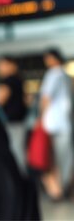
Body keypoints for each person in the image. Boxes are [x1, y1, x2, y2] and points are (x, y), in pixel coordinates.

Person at [39, 48, 72, 200]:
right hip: (65, 123)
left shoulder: (52, 74)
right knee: (65, 157)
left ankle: (56, 190)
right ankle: (62, 187)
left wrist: (40, 118)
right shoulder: (66, 75)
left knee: (52, 159)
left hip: (51, 123)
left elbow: (46, 98)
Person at [0, 56, 28, 174]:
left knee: (16, 154)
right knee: (19, 153)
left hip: (11, 124)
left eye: (1, 65)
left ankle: (19, 184)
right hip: (19, 123)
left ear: (11, 65)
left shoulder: (9, 81)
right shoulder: (19, 80)